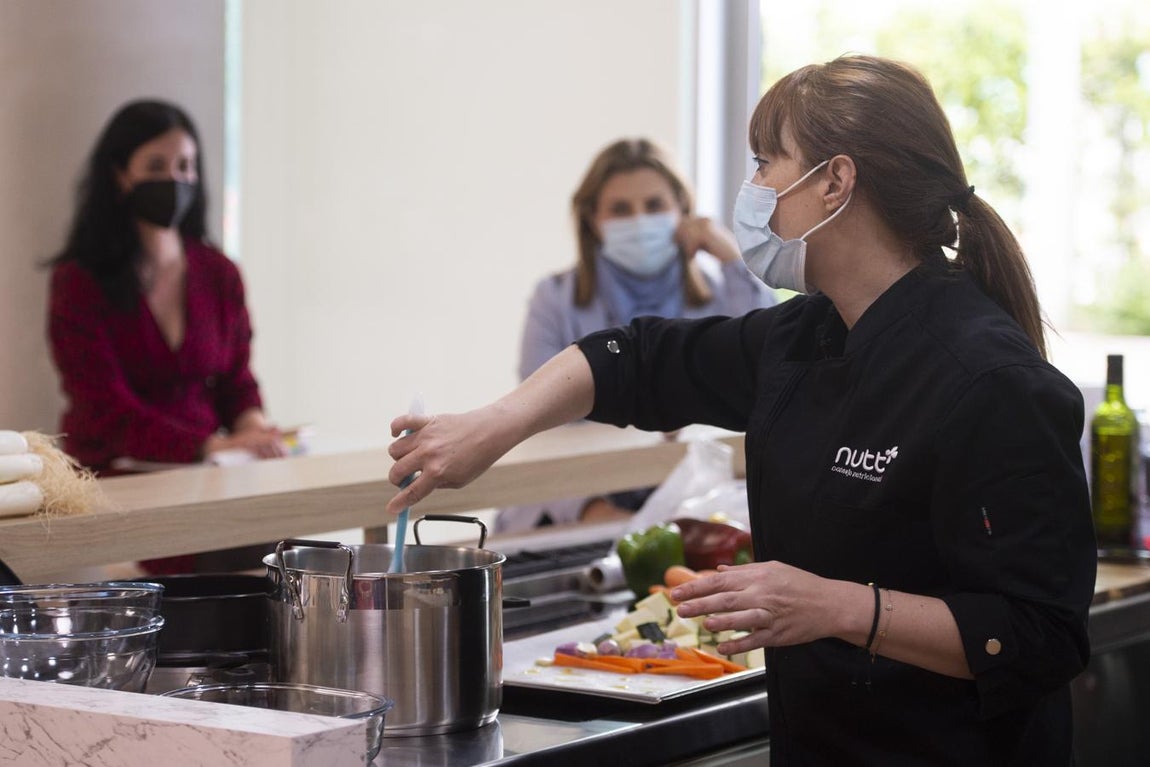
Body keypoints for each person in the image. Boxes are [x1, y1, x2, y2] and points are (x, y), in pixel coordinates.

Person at [387, 55, 1096, 764]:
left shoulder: (988, 379)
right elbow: (633, 359)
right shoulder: (802, 336)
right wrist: (494, 424)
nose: (751, 189)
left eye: (765, 163)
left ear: (835, 183)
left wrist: (839, 606)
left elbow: (1040, 634)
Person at [47, 100, 286, 575]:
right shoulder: (79, 281)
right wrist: (204, 446)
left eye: (186, 166)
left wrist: (252, 427)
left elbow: (236, 379)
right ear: (120, 174)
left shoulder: (218, 273)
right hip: (118, 476)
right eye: (156, 166)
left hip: (206, 476)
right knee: (218, 554)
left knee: (287, 545)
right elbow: (104, 408)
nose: (175, 180)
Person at [503, 138, 776, 530]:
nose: (638, 220)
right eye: (619, 210)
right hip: (578, 504)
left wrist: (733, 257)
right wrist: (595, 511)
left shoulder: (719, 295)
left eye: (653, 206)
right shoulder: (556, 300)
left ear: (682, 210)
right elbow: (539, 420)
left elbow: (773, 369)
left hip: (694, 505)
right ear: (592, 220)